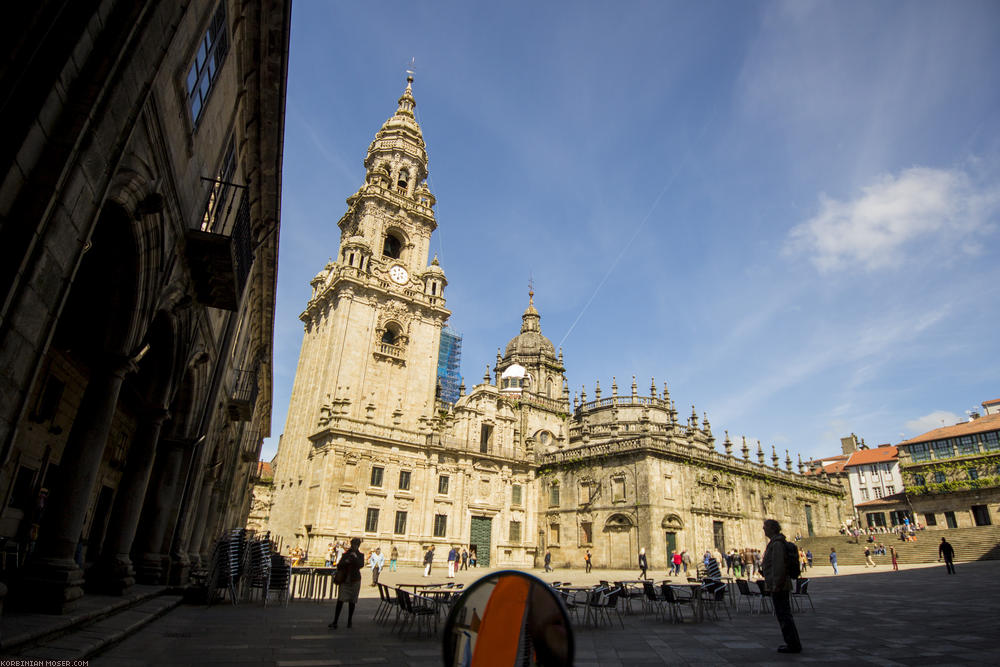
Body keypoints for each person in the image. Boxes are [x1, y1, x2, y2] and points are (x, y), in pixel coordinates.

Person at [761, 519, 802, 654]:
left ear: (772, 528)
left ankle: (793, 644)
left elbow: (779, 565)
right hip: (779, 584)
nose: (763, 529)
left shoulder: (777, 544)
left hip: (779, 585)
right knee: (783, 614)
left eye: (765, 527)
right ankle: (791, 642)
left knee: (784, 615)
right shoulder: (776, 542)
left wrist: (776, 584)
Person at [329, 537, 364, 629]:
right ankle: (335, 621)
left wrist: (355, 558)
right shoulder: (346, 554)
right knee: (340, 600)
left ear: (358, 546)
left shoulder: (360, 555)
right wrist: (346, 561)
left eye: (356, 545)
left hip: (355, 580)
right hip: (344, 580)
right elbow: (339, 565)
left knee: (352, 601)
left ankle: (349, 621)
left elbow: (361, 565)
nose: (354, 546)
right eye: (353, 544)